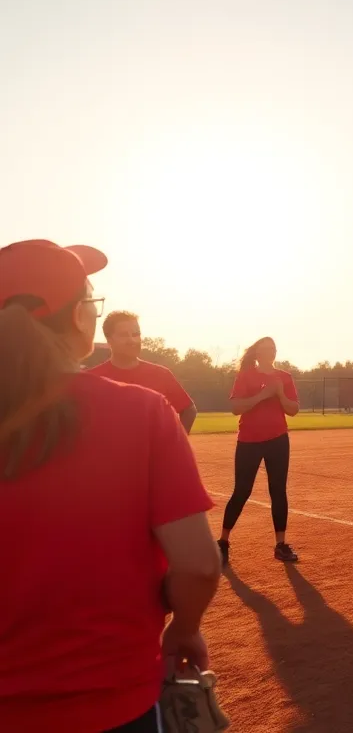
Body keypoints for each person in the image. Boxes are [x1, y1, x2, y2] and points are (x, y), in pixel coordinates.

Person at [0, 240, 219, 733]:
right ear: (81, 317)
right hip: (113, 702)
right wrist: (183, 630)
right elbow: (200, 566)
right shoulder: (141, 411)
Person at [218, 336, 301, 565]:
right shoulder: (246, 376)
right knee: (242, 491)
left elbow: (293, 410)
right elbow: (236, 408)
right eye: (266, 349)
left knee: (278, 491)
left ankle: (281, 545)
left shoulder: (285, 377)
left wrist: (280, 393)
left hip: (278, 440)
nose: (271, 352)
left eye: (273, 348)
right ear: (257, 353)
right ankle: (223, 542)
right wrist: (264, 395)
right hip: (249, 440)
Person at [91, 310, 198, 432]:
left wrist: (175, 444)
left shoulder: (161, 375)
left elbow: (188, 410)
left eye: (136, 334)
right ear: (109, 339)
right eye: (124, 335)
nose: (132, 340)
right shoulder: (92, 378)